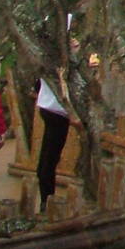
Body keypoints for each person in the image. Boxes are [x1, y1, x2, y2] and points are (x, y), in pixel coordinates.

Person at [35, 74, 73, 211]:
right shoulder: (60, 61)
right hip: (57, 109)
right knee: (50, 158)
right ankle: (47, 201)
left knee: (47, 156)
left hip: (48, 106)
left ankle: (46, 198)